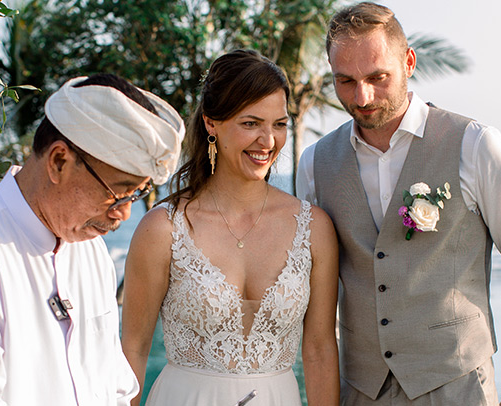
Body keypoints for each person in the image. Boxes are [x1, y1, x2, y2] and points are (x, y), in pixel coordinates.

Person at [295, 3, 501, 406]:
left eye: (377, 77)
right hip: (359, 391)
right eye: (345, 81)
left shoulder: (475, 145)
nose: (362, 96)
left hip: (459, 388)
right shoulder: (316, 162)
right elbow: (312, 293)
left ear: (409, 62)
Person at [0, 74, 185, 405]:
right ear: (59, 161)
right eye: (117, 193)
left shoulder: (90, 250)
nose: (124, 213)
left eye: (138, 193)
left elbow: (112, 386)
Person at [122, 50, 340, 406]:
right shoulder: (163, 229)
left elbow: (319, 349)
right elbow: (133, 348)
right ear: (212, 123)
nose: (268, 142)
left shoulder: (314, 228)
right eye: (251, 123)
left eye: (279, 124)